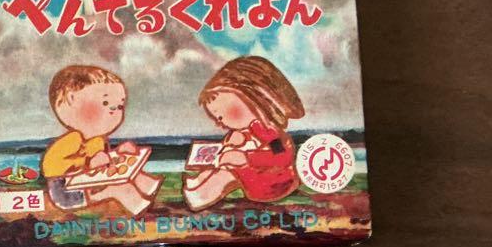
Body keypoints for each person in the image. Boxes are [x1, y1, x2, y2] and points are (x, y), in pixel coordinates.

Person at [182, 56, 304, 211]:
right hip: (254, 177)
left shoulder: (270, 132)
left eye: (222, 115)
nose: (220, 122)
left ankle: (199, 197)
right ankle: (198, 183)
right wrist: (231, 146)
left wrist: (245, 158)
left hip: (275, 184)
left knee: (225, 175)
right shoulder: (246, 131)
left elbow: (281, 156)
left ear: (252, 98)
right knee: (222, 169)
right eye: (217, 118)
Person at [41, 65, 162, 217]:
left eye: (119, 106)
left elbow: (102, 160)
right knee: (119, 188)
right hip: (66, 192)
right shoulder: (72, 140)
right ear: (72, 100)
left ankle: (150, 190)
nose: (115, 111)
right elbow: (50, 167)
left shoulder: (98, 140)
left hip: (89, 182)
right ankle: (142, 212)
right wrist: (86, 162)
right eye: (105, 103)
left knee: (130, 176)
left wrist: (119, 153)